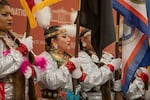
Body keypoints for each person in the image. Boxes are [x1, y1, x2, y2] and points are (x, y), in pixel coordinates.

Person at [35, 25, 82, 100]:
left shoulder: (69, 57)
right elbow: (50, 81)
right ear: (53, 41)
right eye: (64, 37)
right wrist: (68, 67)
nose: (69, 39)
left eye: (68, 36)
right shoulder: (42, 58)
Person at [0, 0, 33, 99]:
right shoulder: (19, 46)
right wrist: (20, 51)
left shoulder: (14, 40)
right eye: (5, 15)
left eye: (11, 15)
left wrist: (30, 70)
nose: (10, 18)